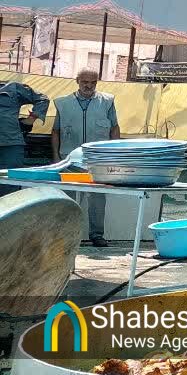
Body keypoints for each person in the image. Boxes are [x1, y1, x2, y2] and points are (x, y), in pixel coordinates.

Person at [52, 69, 120, 246]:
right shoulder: (63, 103)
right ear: (77, 81)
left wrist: (116, 155)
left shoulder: (107, 101)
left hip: (98, 160)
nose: (89, 86)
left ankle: (97, 235)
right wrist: (56, 157)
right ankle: (66, 236)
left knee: (98, 198)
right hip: (69, 160)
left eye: (93, 82)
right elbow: (56, 131)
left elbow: (114, 128)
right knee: (68, 198)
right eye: (85, 82)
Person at [0, 80, 49, 193]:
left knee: (10, 185)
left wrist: (31, 119)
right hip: (11, 144)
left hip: (10, 146)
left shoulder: (12, 87)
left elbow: (42, 99)